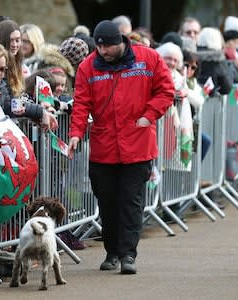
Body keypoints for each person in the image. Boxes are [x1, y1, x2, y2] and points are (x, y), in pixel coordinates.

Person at [68, 20, 174, 274]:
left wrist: (149, 115)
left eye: (108, 47)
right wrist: (75, 134)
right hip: (104, 148)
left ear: (121, 42)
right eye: (100, 47)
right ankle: (112, 252)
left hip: (137, 144)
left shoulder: (148, 58)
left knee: (131, 201)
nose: (103, 51)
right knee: (107, 202)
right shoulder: (88, 67)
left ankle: (128, 255)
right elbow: (81, 104)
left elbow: (166, 91)